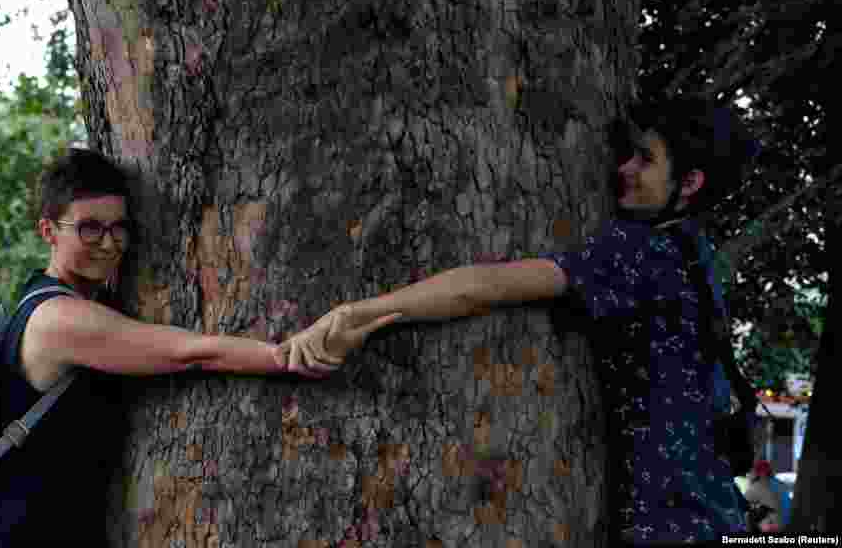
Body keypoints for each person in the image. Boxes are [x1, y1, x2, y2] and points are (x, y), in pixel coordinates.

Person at [283, 99, 758, 545]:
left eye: (645, 160)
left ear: (690, 183)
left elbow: (484, 287)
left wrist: (355, 312)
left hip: (676, 525)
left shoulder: (643, 252)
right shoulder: (695, 254)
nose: (623, 170)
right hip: (713, 512)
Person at [0, 148, 386, 548]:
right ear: (49, 231)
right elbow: (190, 352)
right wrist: (283, 354)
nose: (109, 244)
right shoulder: (59, 319)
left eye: (118, 229)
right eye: (89, 229)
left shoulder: (68, 298)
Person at [744, 460, 789, 532]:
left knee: (748, 514)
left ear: (759, 473)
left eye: (752, 472)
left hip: (774, 526)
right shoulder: (780, 484)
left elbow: (742, 502)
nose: (750, 474)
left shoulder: (759, 485)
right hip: (786, 524)